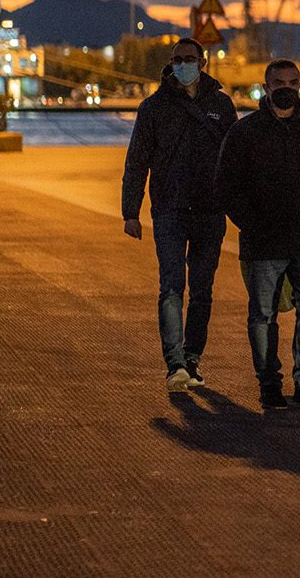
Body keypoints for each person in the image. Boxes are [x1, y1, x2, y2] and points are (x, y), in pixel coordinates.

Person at [216, 59, 300, 411]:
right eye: (278, 82)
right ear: (266, 85)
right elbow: (228, 185)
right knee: (262, 314)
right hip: (264, 240)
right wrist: (252, 223)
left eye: (292, 81)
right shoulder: (245, 132)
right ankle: (268, 383)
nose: (285, 87)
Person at [121, 38, 237, 391]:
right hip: (169, 210)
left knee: (202, 290)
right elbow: (137, 161)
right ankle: (174, 364)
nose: (183, 64)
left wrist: (242, 209)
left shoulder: (221, 105)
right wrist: (131, 212)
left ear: (202, 63)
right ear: (170, 64)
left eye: (189, 59)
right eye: (177, 60)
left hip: (209, 211)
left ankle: (192, 359)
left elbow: (235, 160)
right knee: (171, 287)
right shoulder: (153, 108)